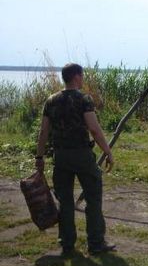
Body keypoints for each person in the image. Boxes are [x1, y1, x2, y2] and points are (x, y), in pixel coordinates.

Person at [35, 63, 116, 255]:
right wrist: (108, 152)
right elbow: (94, 130)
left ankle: (67, 244)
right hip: (81, 155)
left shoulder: (51, 100)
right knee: (93, 196)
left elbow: (43, 131)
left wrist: (39, 157)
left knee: (65, 200)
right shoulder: (83, 99)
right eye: (82, 75)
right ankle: (96, 243)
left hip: (61, 156)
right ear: (77, 77)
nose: (83, 78)